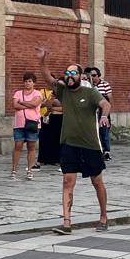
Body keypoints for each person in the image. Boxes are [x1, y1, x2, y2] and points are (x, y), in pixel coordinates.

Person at [36, 46, 108, 232]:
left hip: (91, 145)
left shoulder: (90, 92)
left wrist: (104, 116)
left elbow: (105, 104)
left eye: (73, 73)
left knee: (96, 181)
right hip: (69, 144)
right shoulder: (63, 91)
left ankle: (103, 217)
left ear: (80, 76)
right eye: (67, 73)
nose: (69, 76)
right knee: (68, 181)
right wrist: (43, 60)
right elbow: (48, 78)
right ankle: (67, 222)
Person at [11, 72, 43, 178]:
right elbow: (15, 105)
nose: (27, 83)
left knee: (31, 146)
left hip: (32, 123)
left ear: (34, 83)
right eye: (26, 81)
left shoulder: (37, 93)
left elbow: (35, 104)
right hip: (19, 123)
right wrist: (28, 104)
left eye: (30, 81)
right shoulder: (18, 93)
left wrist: (22, 102)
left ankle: (30, 170)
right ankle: (14, 170)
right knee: (18, 145)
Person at [87, 67, 114, 160]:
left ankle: (106, 151)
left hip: (102, 111)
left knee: (104, 131)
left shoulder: (105, 84)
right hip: (91, 112)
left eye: (94, 75)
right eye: (90, 75)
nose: (92, 77)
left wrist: (107, 114)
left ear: (98, 76)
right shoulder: (88, 85)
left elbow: (109, 99)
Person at [37, 81, 63, 168]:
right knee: (45, 138)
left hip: (59, 118)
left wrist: (52, 106)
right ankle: (44, 159)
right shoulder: (45, 93)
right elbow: (45, 105)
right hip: (48, 117)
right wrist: (50, 105)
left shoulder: (63, 95)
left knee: (56, 139)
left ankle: (56, 159)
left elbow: (64, 107)